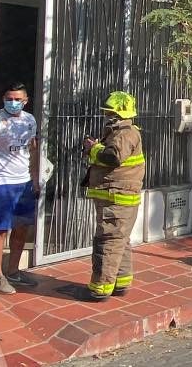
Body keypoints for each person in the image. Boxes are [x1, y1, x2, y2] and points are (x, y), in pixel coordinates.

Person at [0, 83, 40, 295]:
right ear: (3, 99)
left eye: (18, 99)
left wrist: (35, 178)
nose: (13, 103)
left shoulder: (30, 120)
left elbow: (32, 147)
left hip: (23, 182)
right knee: (0, 229)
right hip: (1, 182)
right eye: (9, 98)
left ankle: (13, 270)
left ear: (25, 101)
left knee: (21, 227)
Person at [79, 91, 145, 302]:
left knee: (107, 242)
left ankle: (100, 288)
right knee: (119, 240)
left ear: (117, 114)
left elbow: (113, 157)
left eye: (109, 112)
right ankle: (120, 282)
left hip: (116, 199)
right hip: (117, 198)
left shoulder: (125, 133)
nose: (106, 115)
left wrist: (93, 148)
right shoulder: (123, 132)